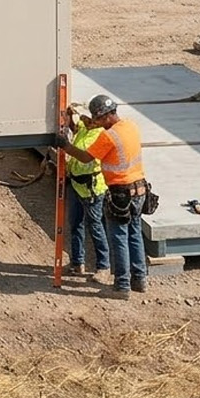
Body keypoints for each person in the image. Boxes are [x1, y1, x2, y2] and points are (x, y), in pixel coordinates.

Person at [58, 94, 147, 297]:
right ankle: (140, 279)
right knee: (134, 234)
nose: (95, 123)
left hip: (120, 193)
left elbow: (86, 156)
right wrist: (82, 123)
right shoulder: (131, 126)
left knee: (118, 237)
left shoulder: (108, 137)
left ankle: (122, 286)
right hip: (140, 189)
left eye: (97, 119)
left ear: (105, 117)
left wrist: (65, 145)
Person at [62, 103, 108, 285]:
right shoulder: (85, 128)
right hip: (76, 183)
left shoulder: (100, 135)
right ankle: (77, 262)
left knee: (95, 226)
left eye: (93, 118)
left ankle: (103, 267)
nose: (88, 119)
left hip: (92, 188)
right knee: (75, 223)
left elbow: (84, 156)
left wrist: (65, 146)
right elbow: (76, 126)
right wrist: (69, 118)